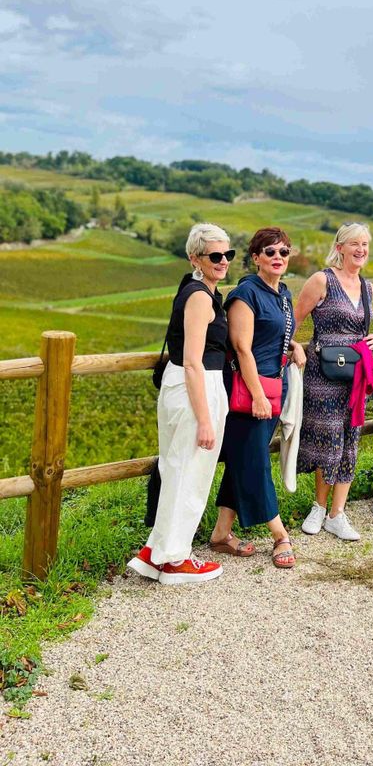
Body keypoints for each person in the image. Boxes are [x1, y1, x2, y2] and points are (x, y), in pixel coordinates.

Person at [128, 223, 235, 585]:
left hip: (181, 385)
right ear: (195, 258)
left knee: (175, 469)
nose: (223, 261)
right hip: (196, 385)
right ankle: (175, 561)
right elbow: (192, 360)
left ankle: (156, 551)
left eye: (228, 254)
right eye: (215, 255)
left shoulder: (193, 289)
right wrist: (205, 419)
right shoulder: (201, 297)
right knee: (191, 474)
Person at [209, 228, 304, 568]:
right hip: (250, 394)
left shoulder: (284, 294)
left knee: (244, 461)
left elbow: (278, 333)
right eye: (270, 252)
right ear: (256, 258)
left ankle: (221, 534)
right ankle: (280, 535)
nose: (278, 256)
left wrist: (294, 347)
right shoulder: (245, 293)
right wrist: (258, 395)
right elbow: (242, 348)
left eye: (283, 251)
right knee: (255, 463)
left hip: (275, 389)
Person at [293, 223, 373, 541]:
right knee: (326, 440)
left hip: (354, 375)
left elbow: (363, 329)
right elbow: (296, 320)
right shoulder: (321, 280)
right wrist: (291, 349)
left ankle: (337, 514)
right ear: (340, 247)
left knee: (350, 440)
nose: (361, 249)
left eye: (365, 244)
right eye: (355, 243)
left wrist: (370, 341)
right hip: (322, 374)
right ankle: (318, 506)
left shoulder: (367, 287)